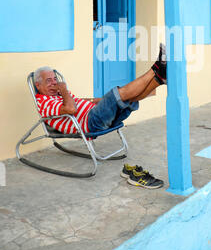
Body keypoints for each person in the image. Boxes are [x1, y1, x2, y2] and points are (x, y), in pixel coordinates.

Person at [34, 45, 167, 188]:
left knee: (129, 98)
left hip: (97, 115)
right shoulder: (44, 101)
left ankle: (159, 79)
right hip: (91, 123)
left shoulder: (61, 95)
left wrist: (99, 100)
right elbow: (71, 109)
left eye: (55, 79)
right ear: (38, 85)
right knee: (119, 93)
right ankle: (155, 68)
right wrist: (64, 88)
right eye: (49, 80)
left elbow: (78, 101)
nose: (54, 83)